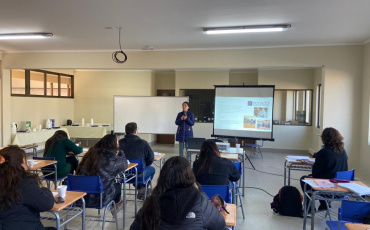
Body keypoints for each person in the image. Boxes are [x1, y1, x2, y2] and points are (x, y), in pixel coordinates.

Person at [130, 156, 225, 230]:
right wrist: (196, 192)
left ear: (163, 177)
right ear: (189, 177)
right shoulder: (200, 201)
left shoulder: (151, 202)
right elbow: (220, 225)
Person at [0, 146, 55, 230]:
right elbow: (46, 204)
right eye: (25, 162)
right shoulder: (24, 182)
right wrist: (45, 190)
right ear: (20, 165)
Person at [300, 127, 348, 210]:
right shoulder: (343, 151)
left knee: (304, 179)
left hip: (328, 189)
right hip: (342, 188)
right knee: (324, 178)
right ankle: (324, 205)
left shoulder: (324, 152)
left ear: (324, 139)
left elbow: (315, 174)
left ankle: (310, 208)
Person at [76, 134, 128, 209]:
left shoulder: (90, 153)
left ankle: (115, 206)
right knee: (117, 186)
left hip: (81, 197)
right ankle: (114, 207)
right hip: (99, 199)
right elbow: (124, 165)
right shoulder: (112, 159)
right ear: (114, 145)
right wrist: (120, 153)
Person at [119, 122, 155, 197]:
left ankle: (140, 187)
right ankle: (141, 188)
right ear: (136, 131)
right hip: (139, 174)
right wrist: (144, 165)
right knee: (152, 169)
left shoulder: (119, 143)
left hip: (123, 175)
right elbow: (151, 158)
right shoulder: (143, 143)